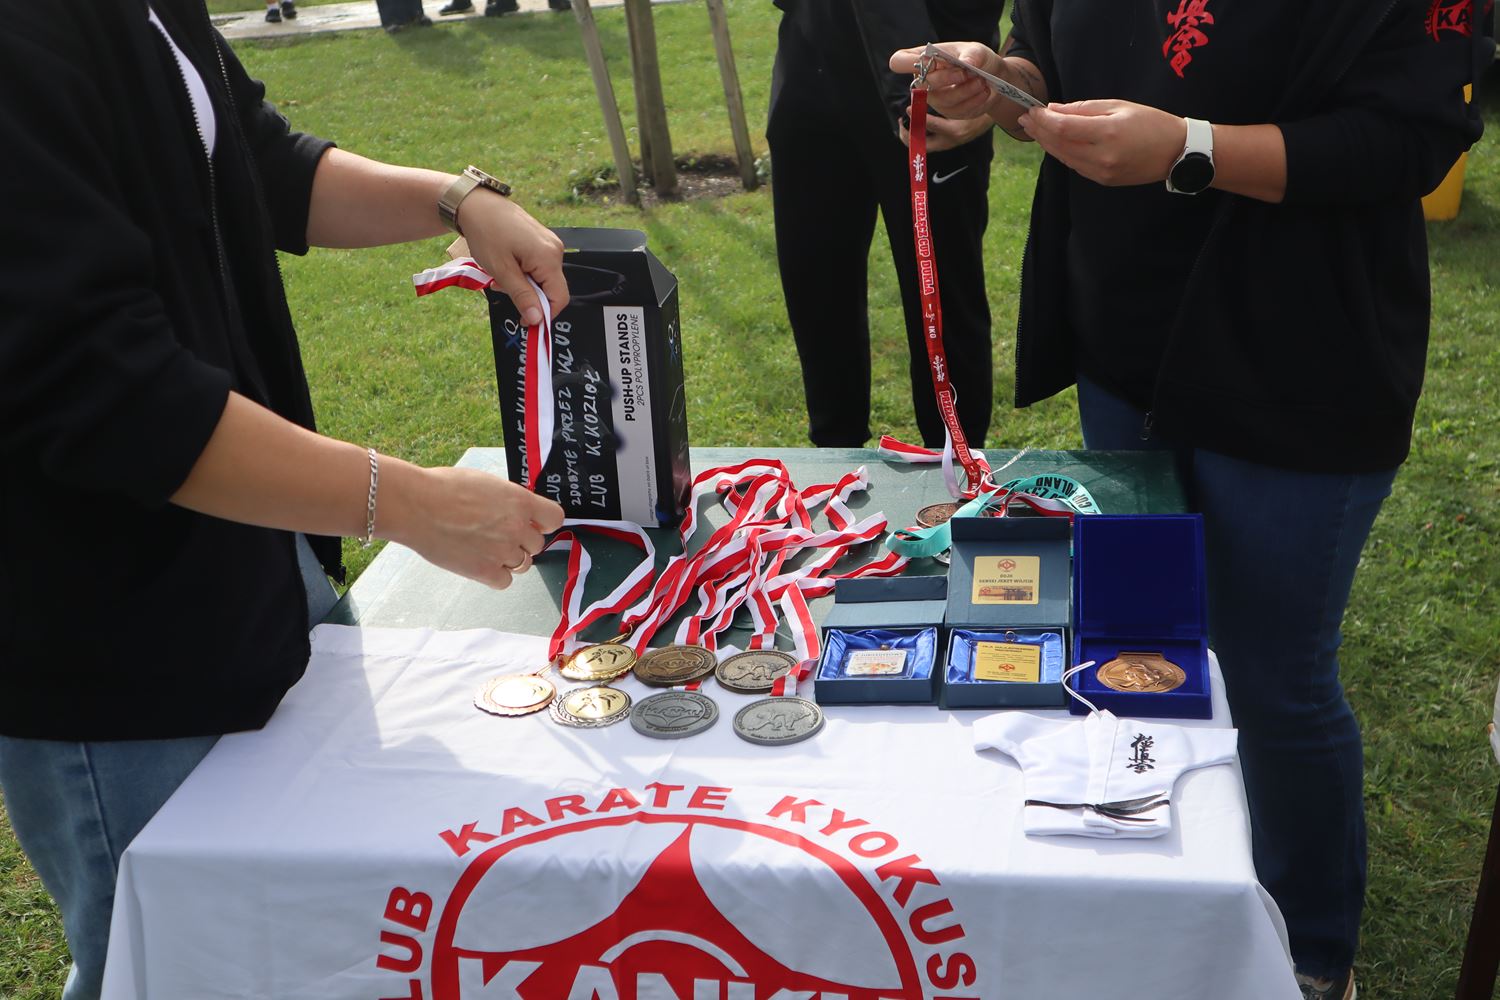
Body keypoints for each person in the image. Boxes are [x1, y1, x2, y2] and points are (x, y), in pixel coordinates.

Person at [893, 3, 1486, 997]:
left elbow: (1408, 139)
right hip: (1126, 336)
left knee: (1271, 673)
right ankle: (1164, 899)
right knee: (1147, 640)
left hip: (1303, 354)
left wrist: (1189, 148)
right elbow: (1049, 60)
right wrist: (999, 82)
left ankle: (1306, 951)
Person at [0, 2, 568, 998]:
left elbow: (253, 160)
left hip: (256, 568)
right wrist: (414, 506)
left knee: (313, 942)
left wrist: (455, 198)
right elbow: (104, 390)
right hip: (118, 646)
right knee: (183, 966)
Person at [767, 0, 1005, 450]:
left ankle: (958, 465)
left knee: (943, 294)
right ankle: (835, 465)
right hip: (813, 57)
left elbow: (1036, 28)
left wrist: (993, 94)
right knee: (816, 283)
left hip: (937, 63)